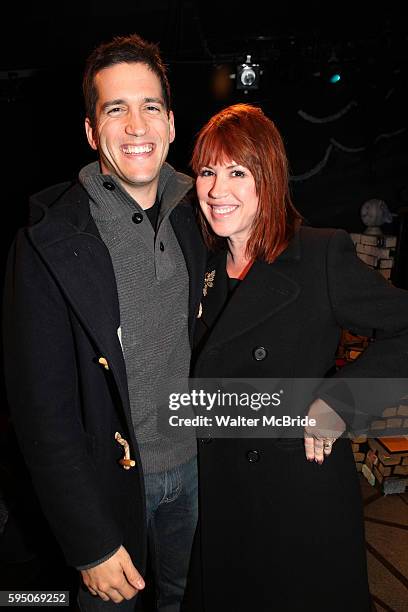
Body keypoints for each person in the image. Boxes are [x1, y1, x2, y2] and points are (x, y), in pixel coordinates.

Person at [2, 34, 206, 611]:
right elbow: (41, 411)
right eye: (116, 109)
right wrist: (88, 540)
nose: (136, 125)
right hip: (110, 490)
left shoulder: (201, 216)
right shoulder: (46, 245)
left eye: (150, 108)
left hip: (193, 473)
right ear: (93, 133)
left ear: (170, 124)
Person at [184, 103, 408, 612]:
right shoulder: (200, 263)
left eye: (237, 172)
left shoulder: (319, 254)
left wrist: (343, 400)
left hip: (295, 498)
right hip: (217, 496)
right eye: (207, 171)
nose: (218, 190)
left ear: (270, 177)